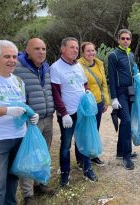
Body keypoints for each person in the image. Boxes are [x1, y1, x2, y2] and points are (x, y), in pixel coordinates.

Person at [0, 38, 55, 205]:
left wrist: (30, 115)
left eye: (14, 57)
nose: (12, 60)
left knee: (12, 183)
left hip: (18, 138)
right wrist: (6, 110)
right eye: (7, 56)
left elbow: (21, 108)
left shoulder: (18, 82)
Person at [51, 37, 97, 186]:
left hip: (82, 112)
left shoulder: (78, 66)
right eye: (72, 47)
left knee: (84, 140)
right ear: (63, 49)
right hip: (68, 115)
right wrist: (63, 113)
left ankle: (87, 169)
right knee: (66, 145)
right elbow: (56, 93)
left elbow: (83, 84)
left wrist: (88, 91)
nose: (75, 50)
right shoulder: (56, 67)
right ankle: (65, 174)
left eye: (77, 48)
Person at [75, 42, 110, 167]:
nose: (91, 53)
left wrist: (106, 100)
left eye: (93, 50)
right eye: (88, 51)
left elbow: (104, 84)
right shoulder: (78, 65)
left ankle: (93, 155)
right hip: (85, 104)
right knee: (84, 131)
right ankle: (81, 159)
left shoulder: (99, 64)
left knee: (94, 130)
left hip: (98, 103)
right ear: (83, 53)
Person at [107, 29, 137, 170]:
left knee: (126, 123)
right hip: (120, 93)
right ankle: (126, 156)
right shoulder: (113, 55)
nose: (125, 40)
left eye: (128, 38)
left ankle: (120, 151)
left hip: (130, 91)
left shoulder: (130, 54)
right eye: (123, 38)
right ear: (118, 39)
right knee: (126, 121)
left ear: (130, 40)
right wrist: (114, 97)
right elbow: (111, 78)